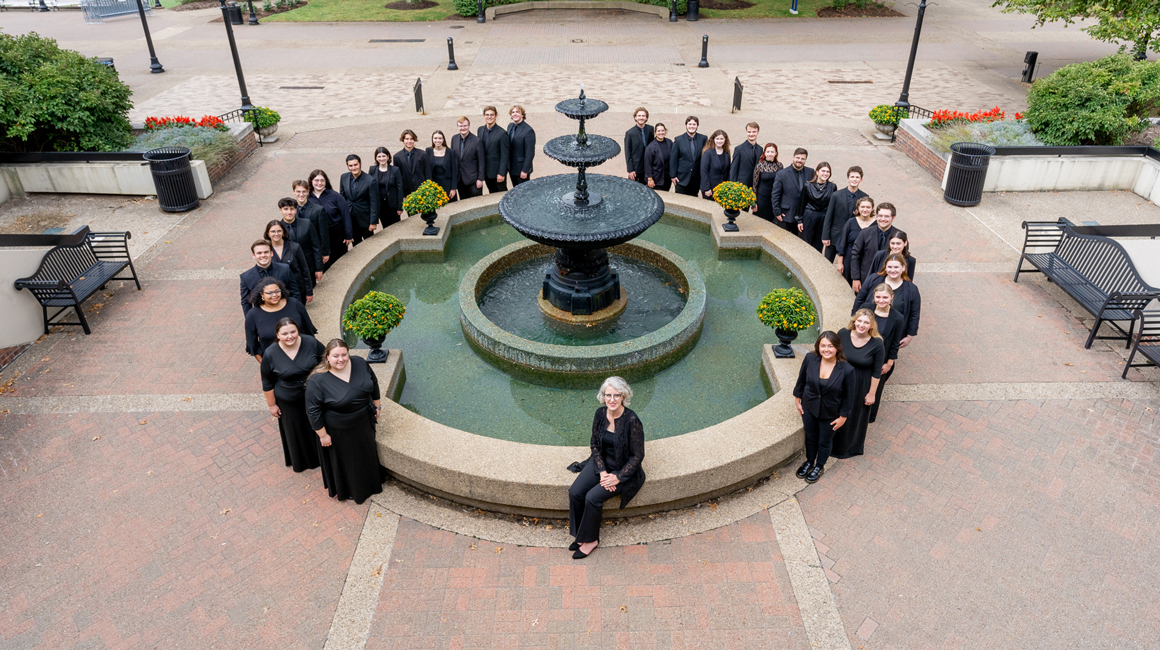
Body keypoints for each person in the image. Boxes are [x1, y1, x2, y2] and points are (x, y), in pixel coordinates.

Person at [568, 376, 646, 560]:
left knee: (592, 497)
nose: (611, 400)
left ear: (623, 396)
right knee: (575, 492)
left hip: (624, 470)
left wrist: (618, 477)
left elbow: (637, 456)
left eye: (616, 395)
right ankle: (581, 535)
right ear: (603, 396)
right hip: (601, 464)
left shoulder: (632, 420)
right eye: (607, 395)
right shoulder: (600, 414)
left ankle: (591, 540)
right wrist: (602, 472)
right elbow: (594, 444)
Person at [306, 339, 388, 504]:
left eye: (344, 354)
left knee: (366, 453)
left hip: (364, 421)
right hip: (339, 430)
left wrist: (377, 407)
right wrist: (322, 435)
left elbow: (374, 382)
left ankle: (371, 482)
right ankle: (351, 490)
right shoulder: (318, 380)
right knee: (349, 460)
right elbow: (313, 411)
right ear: (327, 357)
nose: (341, 359)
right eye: (336, 356)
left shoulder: (359, 363)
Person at [261, 318, 327, 473]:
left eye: (293, 332)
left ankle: (323, 456)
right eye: (285, 333)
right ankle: (303, 460)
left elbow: (325, 360)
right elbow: (267, 382)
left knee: (318, 424)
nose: (290, 336)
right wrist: (271, 405)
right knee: (297, 430)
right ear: (277, 335)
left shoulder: (311, 342)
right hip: (289, 401)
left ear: (298, 331)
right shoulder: (270, 353)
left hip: (314, 395)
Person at [793, 331, 855, 484]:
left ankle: (819, 466)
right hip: (809, 408)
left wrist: (843, 417)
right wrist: (797, 399)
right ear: (818, 347)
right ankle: (809, 461)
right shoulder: (810, 359)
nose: (826, 349)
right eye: (823, 346)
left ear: (837, 348)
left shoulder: (847, 370)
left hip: (831, 413)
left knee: (824, 441)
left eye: (830, 346)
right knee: (811, 437)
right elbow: (801, 380)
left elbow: (849, 396)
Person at [830, 310, 885, 460]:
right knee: (835, 411)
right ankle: (829, 445)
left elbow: (876, 371)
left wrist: (872, 393)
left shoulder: (877, 344)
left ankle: (846, 449)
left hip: (861, 383)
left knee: (853, 416)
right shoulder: (842, 334)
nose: (862, 325)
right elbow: (832, 355)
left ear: (871, 326)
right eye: (859, 321)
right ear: (854, 321)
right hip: (841, 379)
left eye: (866, 322)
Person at [853, 253, 921, 349]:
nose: (892, 270)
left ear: (903, 268)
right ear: (885, 267)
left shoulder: (912, 289)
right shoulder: (873, 279)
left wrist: (910, 336)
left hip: (891, 333)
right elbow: (859, 299)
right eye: (889, 267)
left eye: (896, 267)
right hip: (866, 329)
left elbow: (914, 313)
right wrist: (854, 321)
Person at [243, 277, 315, 361]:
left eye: (277, 291)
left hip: (304, 357)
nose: (274, 295)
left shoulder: (294, 304)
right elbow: (253, 346)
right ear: (262, 294)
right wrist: (267, 367)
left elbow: (309, 332)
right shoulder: (253, 315)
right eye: (269, 293)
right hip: (275, 362)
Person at [866, 284, 905, 423]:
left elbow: (895, 343)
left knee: (875, 389)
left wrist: (889, 363)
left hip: (881, 360)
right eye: (878, 297)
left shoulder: (897, 318)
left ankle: (869, 416)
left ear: (891, 297)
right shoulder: (866, 309)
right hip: (863, 355)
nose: (881, 300)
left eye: (885, 297)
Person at [848, 202, 900, 293]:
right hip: (865, 279)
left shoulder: (899, 237)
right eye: (880, 216)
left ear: (893, 217)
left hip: (889, 282)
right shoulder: (865, 233)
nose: (883, 219)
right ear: (876, 216)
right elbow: (855, 255)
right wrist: (855, 278)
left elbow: (903, 260)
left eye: (887, 216)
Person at [240, 240, 300, 315]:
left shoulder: (285, 269)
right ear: (253, 256)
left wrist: (295, 312)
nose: (263, 255)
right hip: (262, 317)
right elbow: (245, 302)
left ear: (271, 253)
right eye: (259, 253)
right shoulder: (246, 277)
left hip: (286, 312)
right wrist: (251, 320)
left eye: (266, 252)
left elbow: (295, 293)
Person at [308, 169, 353, 269]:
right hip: (318, 236)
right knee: (324, 262)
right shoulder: (307, 198)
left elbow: (346, 215)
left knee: (340, 260)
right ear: (311, 181)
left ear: (326, 181)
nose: (319, 183)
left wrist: (348, 235)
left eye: (322, 180)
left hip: (336, 234)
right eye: (316, 180)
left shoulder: (335, 196)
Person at [822, 167, 867, 263]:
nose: (854, 179)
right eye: (852, 177)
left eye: (857, 177)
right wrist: (825, 236)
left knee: (847, 264)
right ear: (848, 178)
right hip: (834, 236)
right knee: (827, 263)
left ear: (861, 180)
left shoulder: (864, 197)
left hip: (851, 238)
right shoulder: (836, 195)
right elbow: (828, 216)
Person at [279, 194, 325, 287]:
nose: (289, 212)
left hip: (309, 268)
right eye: (286, 209)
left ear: (296, 210)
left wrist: (319, 268)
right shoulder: (277, 228)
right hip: (289, 271)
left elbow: (316, 246)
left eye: (292, 209)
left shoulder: (307, 223)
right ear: (281, 211)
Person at [264, 220, 312, 303]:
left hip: (296, 290)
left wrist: (309, 292)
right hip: (276, 293)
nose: (276, 234)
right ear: (268, 233)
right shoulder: (265, 250)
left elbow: (304, 270)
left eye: (279, 231)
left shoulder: (295, 247)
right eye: (273, 231)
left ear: (283, 232)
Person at [770, 148, 813, 234]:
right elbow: (775, 195)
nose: (799, 160)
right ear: (793, 157)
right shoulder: (782, 174)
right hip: (785, 216)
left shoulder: (810, 172)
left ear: (805, 160)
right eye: (798, 158)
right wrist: (777, 212)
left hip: (803, 217)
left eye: (802, 159)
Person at [340, 154, 380, 247]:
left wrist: (373, 222)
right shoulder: (343, 177)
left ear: (360, 164)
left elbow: (375, 203)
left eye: (355, 165)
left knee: (369, 245)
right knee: (356, 245)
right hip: (350, 219)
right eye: (350, 165)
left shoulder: (370, 180)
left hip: (365, 220)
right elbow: (342, 198)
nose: (353, 168)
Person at [835, 196, 875, 287]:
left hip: (867, 259)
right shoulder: (851, 222)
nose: (865, 209)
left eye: (868, 207)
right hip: (850, 257)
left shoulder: (876, 225)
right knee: (846, 286)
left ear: (872, 209)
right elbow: (842, 243)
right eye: (862, 207)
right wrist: (840, 263)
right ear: (858, 208)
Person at [799, 162, 836, 253]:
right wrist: (799, 220)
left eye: (828, 171)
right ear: (817, 172)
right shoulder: (808, 186)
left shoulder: (832, 187)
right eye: (823, 171)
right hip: (809, 215)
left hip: (823, 217)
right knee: (805, 242)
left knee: (818, 244)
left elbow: (833, 206)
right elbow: (801, 203)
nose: (825, 173)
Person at [669, 116, 707, 197]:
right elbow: (673, 159)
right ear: (686, 125)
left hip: (696, 178)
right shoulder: (679, 140)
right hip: (681, 178)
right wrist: (673, 175)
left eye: (694, 124)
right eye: (689, 124)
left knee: (693, 199)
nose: (692, 126)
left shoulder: (703, 138)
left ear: (697, 126)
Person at [368, 147, 404, 228]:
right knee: (386, 227)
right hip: (380, 205)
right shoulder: (372, 169)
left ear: (388, 156)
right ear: (376, 158)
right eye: (379, 156)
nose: (382, 159)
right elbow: (370, 187)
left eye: (384, 156)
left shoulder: (395, 170)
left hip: (393, 205)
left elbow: (400, 188)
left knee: (396, 226)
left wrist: (400, 207)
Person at [451, 116, 485, 200]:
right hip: (460, 180)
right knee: (464, 203)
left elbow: (481, 161)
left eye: (465, 126)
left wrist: (480, 179)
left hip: (473, 180)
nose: (463, 128)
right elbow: (453, 159)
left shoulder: (477, 141)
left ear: (469, 126)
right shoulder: (454, 139)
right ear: (457, 127)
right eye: (460, 126)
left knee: (476, 203)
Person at [478, 105, 510, 194]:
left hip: (497, 173)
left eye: (491, 115)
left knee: (501, 194)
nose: (489, 117)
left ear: (496, 116)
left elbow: (505, 155)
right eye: (487, 115)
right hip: (486, 172)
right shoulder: (480, 130)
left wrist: (502, 173)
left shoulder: (502, 133)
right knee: (491, 194)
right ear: (484, 116)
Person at [752, 143, 784, 223]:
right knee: (759, 222)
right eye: (768, 152)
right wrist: (753, 202)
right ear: (764, 153)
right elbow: (755, 185)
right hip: (761, 200)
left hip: (773, 200)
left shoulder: (779, 166)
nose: (770, 154)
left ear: (776, 153)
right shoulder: (759, 166)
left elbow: (781, 185)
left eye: (772, 152)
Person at [425, 130, 459, 201]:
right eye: (435, 138)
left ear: (443, 139)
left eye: (440, 138)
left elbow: (454, 171)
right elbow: (426, 170)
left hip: (447, 185)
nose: (438, 140)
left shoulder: (450, 152)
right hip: (434, 185)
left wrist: (453, 188)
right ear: (432, 139)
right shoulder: (428, 151)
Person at [624, 107, 654, 185]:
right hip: (636, 168)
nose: (641, 118)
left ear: (646, 117)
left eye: (643, 116)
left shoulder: (650, 129)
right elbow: (628, 153)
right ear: (635, 117)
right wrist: (630, 170)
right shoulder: (630, 133)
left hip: (648, 167)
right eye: (639, 116)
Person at [394, 130, 428, 199]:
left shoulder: (423, 154)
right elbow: (398, 178)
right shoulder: (397, 157)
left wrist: (428, 191)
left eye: (411, 139)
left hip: (422, 191)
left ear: (414, 140)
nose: (409, 141)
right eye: (407, 139)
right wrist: (402, 195)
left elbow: (428, 174)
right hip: (407, 192)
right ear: (403, 140)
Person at [507, 105, 536, 187]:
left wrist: (525, 170)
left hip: (522, 169)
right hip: (512, 167)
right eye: (513, 112)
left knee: (524, 193)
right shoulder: (510, 126)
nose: (515, 114)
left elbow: (530, 152)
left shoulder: (528, 130)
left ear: (522, 115)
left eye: (517, 112)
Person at [729, 122, 762, 190]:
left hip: (755, 186)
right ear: (746, 132)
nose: (751, 134)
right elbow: (733, 169)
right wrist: (733, 186)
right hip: (741, 185)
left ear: (758, 132)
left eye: (754, 132)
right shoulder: (739, 149)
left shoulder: (760, 149)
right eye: (749, 132)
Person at [699, 130, 731, 200]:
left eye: (721, 139)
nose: (719, 141)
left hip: (722, 189)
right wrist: (707, 188)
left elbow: (728, 171)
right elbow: (704, 171)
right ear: (713, 139)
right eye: (717, 139)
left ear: (725, 140)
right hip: (710, 189)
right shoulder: (708, 153)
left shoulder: (726, 153)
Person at [643, 123, 672, 192]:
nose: (661, 133)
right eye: (658, 131)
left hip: (667, 178)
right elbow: (647, 165)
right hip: (656, 179)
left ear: (665, 131)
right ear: (655, 132)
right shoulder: (650, 147)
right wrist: (650, 179)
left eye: (662, 130)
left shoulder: (669, 142)